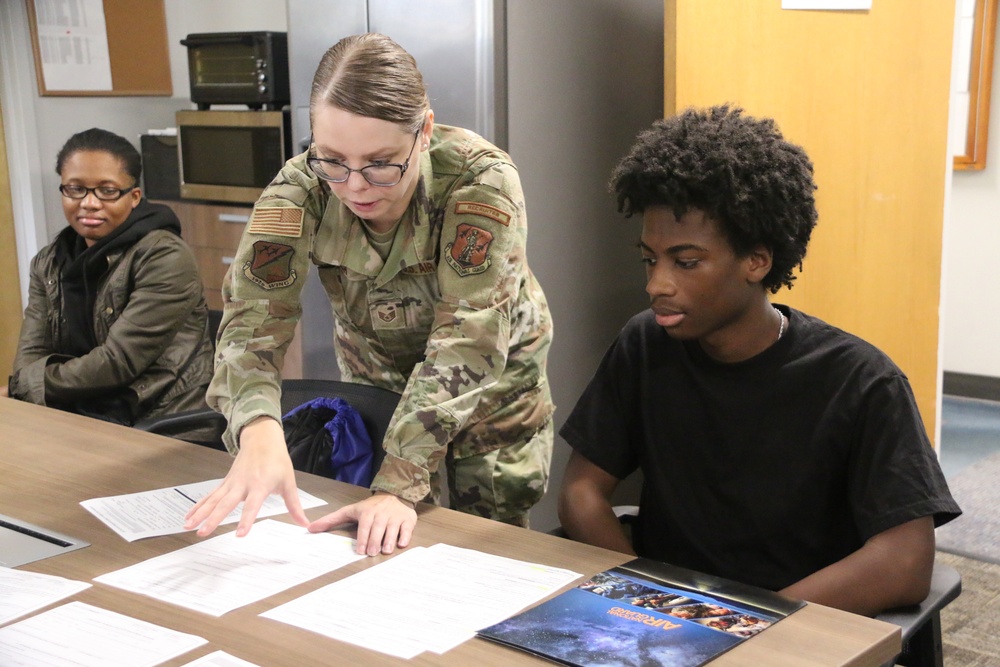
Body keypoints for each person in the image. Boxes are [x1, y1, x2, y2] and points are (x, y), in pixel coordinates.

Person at [556, 105, 961, 616]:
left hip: (796, 624)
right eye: (649, 259)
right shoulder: (646, 344)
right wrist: (647, 598)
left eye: (686, 262)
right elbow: (583, 490)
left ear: (757, 260)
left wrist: (742, 622)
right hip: (661, 616)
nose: (656, 284)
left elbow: (904, 562)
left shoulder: (861, 381)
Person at [184, 33, 554, 556]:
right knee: (374, 543)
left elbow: (468, 340)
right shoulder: (302, 188)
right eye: (333, 159)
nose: (354, 185)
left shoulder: (479, 182)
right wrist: (258, 426)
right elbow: (251, 320)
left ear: (423, 132)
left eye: (381, 164)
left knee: (484, 541)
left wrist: (400, 482)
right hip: (377, 376)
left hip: (488, 392)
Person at [3, 128, 213, 438]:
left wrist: (26, 386)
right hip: (81, 411)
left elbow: (119, 361)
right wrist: (26, 385)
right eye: (75, 189)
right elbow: (31, 354)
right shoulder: (48, 262)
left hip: (160, 420)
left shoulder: (164, 256)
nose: (89, 203)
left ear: (134, 197)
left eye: (107, 190)